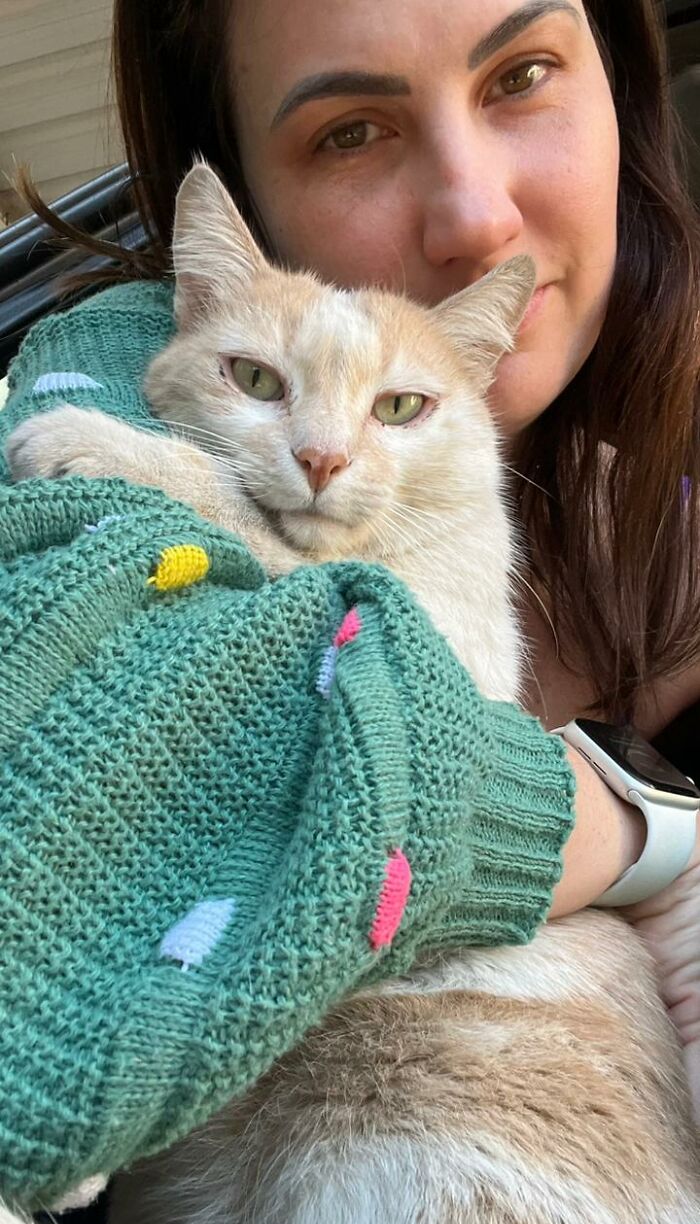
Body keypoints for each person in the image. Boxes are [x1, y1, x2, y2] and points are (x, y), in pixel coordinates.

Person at [1, 0, 698, 1162]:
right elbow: (88, 807)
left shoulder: (663, 528)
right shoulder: (116, 364)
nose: (479, 218)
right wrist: (633, 827)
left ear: (619, 83)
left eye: (521, 73)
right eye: (349, 132)